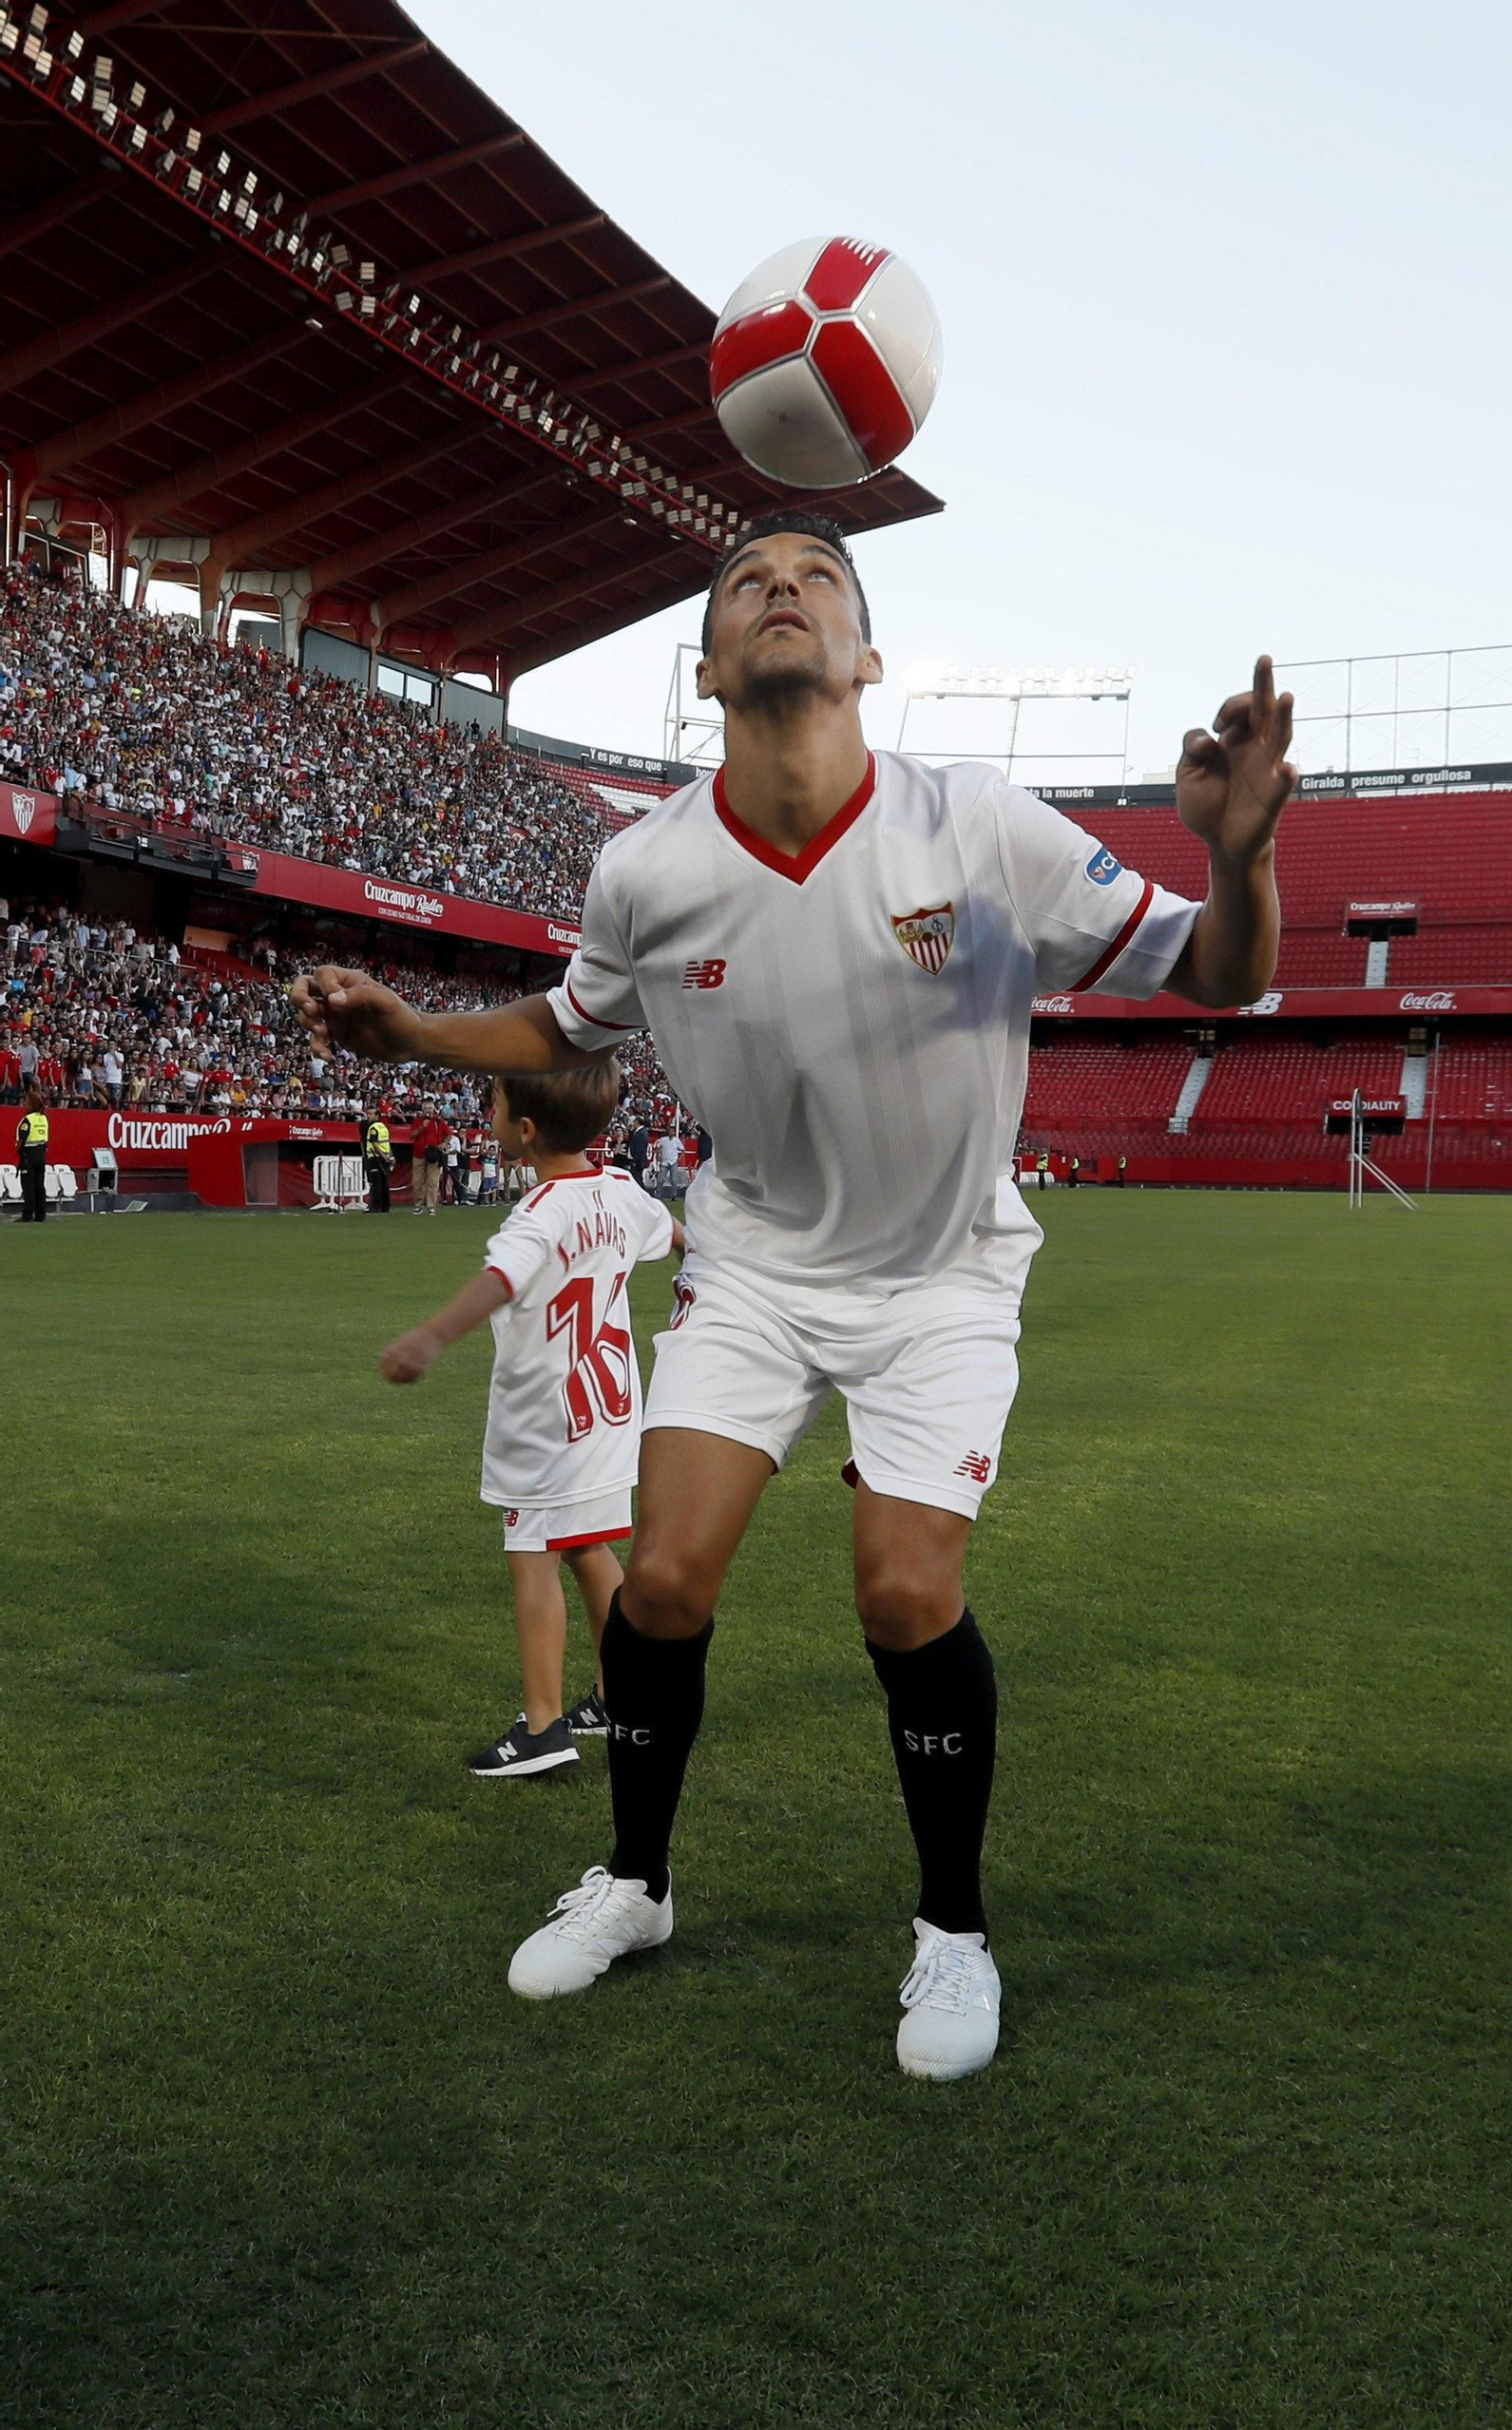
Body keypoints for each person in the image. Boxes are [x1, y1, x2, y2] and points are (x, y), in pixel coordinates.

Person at [294, 510, 1293, 2081]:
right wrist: (411, 1033)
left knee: (903, 1592)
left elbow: (1221, 977)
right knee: (668, 1581)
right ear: (707, 665)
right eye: (749, 580)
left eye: (818, 577)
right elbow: (570, 1025)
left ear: (867, 657)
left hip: (942, 1270)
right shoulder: (648, 864)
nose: (782, 588)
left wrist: (1238, 858)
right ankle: (634, 1882)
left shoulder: (974, 824)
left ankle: (952, 1929)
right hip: (753, 1264)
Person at [378, 1063, 684, 1777]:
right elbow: (675, 1235)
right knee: (588, 1547)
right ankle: (619, 1696)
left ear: (522, 1129)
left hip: (547, 1417)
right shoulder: (620, 1191)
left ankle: (544, 1728)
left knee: (534, 1555)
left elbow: (501, 1280)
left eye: (494, 1098)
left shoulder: (539, 1213)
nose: (486, 1107)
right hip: (607, 1414)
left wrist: (429, 1336)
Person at [16, 1085, 49, 1221]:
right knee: (39, 1186)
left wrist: (19, 1149)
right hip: (41, 1154)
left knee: (28, 1186)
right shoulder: (43, 1118)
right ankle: (41, 1215)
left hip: (28, 1155)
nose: (24, 1104)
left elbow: (21, 1139)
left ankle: (27, 1214)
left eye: (26, 1101)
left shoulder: (27, 1120)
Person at [411, 1100, 447, 1214]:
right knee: (417, 1182)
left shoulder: (438, 1121)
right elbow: (412, 1135)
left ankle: (431, 1205)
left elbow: (449, 1134)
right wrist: (422, 1127)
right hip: (419, 1154)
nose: (428, 1110)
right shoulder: (418, 1121)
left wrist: (444, 1144)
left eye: (430, 1108)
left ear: (433, 1109)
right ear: (422, 1110)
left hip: (433, 1155)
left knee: (433, 1182)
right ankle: (418, 1205)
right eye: (426, 1108)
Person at [362, 1112, 393, 1214]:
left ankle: (376, 1207)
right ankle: (385, 1206)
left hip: (375, 1158)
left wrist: (384, 1157)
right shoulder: (383, 1127)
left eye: (371, 1114)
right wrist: (390, 1157)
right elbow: (387, 1143)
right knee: (384, 1182)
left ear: (376, 1116)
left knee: (376, 1183)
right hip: (385, 1157)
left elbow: (374, 1143)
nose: (368, 1116)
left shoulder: (373, 1129)